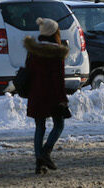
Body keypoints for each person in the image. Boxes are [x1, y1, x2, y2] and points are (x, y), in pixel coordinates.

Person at [23, 17, 70, 175]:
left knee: (40, 127)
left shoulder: (33, 51)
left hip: (36, 94)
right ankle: (46, 153)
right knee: (59, 125)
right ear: (53, 33)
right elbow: (58, 79)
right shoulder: (57, 53)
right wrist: (62, 99)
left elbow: (28, 72)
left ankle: (39, 161)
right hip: (52, 95)